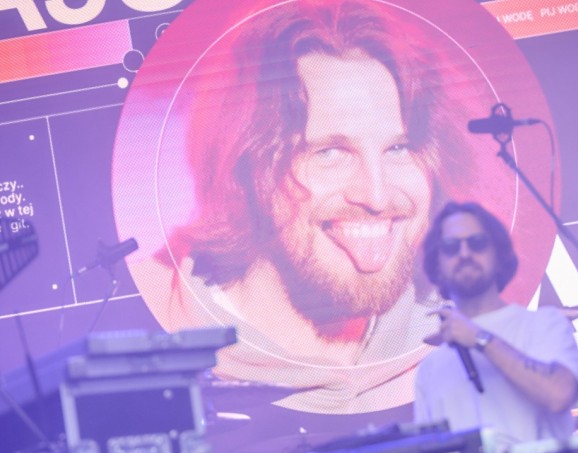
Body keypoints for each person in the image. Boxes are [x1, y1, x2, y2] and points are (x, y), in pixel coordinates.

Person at [137, 0, 497, 414]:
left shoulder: (470, 340)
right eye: (330, 152)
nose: (377, 196)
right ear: (245, 166)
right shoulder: (145, 332)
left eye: (399, 148)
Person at [414, 201, 578, 447]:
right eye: (450, 247)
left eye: (477, 243)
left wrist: (480, 338)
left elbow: (559, 395)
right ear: (437, 264)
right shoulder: (430, 370)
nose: (464, 254)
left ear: (498, 254)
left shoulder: (545, 324)